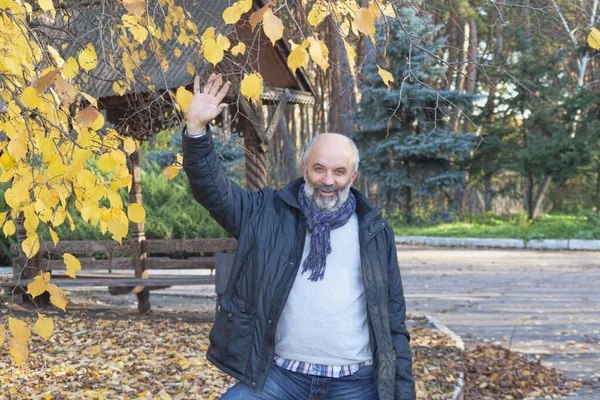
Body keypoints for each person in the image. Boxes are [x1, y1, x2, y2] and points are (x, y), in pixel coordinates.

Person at [182, 73, 416, 400]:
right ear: (305, 169)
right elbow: (213, 192)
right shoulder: (267, 212)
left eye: (339, 171)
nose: (328, 180)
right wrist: (196, 130)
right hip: (281, 377)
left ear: (353, 176)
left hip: (355, 382)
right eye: (319, 168)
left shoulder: (374, 231)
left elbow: (393, 323)